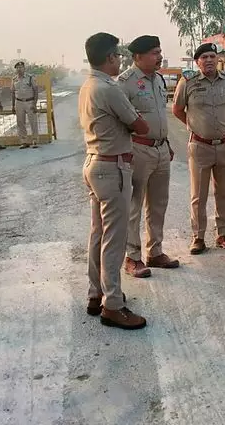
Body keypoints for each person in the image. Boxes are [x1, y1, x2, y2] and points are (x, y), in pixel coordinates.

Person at [79, 32, 149, 330]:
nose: (120, 60)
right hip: (112, 167)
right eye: (118, 55)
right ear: (109, 57)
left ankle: (96, 294)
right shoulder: (109, 88)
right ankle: (113, 305)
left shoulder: (88, 85)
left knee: (98, 234)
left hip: (95, 163)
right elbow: (141, 126)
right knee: (114, 240)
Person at [172, 42, 225, 254]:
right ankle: (198, 237)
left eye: (212, 56)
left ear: (218, 59)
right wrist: (196, 126)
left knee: (224, 192)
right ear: (197, 62)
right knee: (199, 195)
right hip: (200, 146)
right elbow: (177, 109)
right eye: (204, 57)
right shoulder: (188, 82)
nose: (209, 60)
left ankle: (223, 234)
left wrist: (222, 126)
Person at [118, 35, 179, 276]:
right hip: (138, 150)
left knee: (158, 204)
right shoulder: (125, 83)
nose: (159, 57)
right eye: (154, 53)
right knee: (134, 205)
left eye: (160, 52)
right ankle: (132, 257)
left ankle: (155, 252)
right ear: (137, 56)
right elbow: (119, 121)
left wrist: (167, 144)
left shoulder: (159, 80)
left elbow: (160, 116)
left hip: (161, 148)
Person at [11, 60, 40, 149]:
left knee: (33, 122)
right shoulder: (14, 79)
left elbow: (35, 90)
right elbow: (13, 93)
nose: (19, 69)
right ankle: (24, 141)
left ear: (24, 68)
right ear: (16, 69)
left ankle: (35, 140)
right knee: (20, 122)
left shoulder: (30, 78)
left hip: (29, 101)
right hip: (19, 102)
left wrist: (34, 104)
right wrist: (13, 106)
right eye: (17, 68)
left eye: (21, 67)